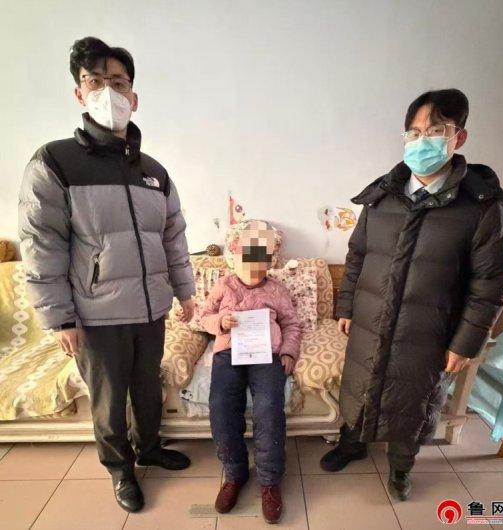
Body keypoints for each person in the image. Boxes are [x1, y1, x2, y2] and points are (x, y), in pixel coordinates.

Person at [18, 37, 196, 513]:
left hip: (151, 308)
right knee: (109, 399)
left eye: (118, 82)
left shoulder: (154, 172)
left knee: (147, 387)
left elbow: (174, 237)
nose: (108, 92)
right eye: (95, 82)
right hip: (96, 315)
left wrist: (185, 293)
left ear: (133, 96)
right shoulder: (55, 162)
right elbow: (42, 244)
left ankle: (150, 447)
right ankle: (120, 469)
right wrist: (60, 318)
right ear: (80, 93)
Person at [320, 89, 503, 501]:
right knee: (360, 385)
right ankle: (351, 444)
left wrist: (465, 343)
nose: (422, 140)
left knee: (413, 401)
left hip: (428, 331)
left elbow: (490, 284)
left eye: (435, 130)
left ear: (458, 137)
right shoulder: (382, 195)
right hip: (371, 320)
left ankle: (401, 468)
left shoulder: (482, 208)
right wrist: (347, 304)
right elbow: (357, 255)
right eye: (414, 132)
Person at [200, 220, 301, 524]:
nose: (255, 269)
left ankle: (269, 482)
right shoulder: (224, 285)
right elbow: (204, 317)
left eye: (262, 262)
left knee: (269, 408)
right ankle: (235, 475)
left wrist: (288, 351)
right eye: (249, 260)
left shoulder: (277, 289)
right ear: (237, 257)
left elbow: (292, 324)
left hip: (266, 354)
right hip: (228, 353)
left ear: (269, 262)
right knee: (220, 406)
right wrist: (220, 322)